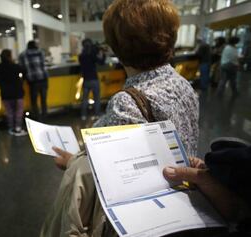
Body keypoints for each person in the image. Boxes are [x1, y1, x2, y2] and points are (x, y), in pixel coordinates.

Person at [40, 1, 199, 236]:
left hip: (146, 220)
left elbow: (113, 176)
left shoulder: (127, 102)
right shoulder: (184, 85)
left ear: (117, 45)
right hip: (184, 209)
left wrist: (71, 163)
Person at [0, 49, 27, 136]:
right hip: (17, 92)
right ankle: (18, 128)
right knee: (18, 111)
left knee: (9, 112)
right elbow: (24, 71)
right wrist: (21, 80)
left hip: (5, 94)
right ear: (10, 56)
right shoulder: (15, 66)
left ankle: (11, 128)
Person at [19, 40, 49, 120]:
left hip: (33, 81)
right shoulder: (41, 52)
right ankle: (44, 117)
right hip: (43, 79)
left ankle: (37, 118)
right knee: (43, 100)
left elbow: (21, 68)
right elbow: (44, 64)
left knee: (34, 101)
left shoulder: (23, 55)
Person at [79, 39, 105, 120]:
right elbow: (101, 62)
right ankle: (97, 114)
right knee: (96, 98)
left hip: (86, 80)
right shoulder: (92, 55)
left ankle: (83, 115)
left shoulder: (81, 56)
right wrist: (102, 53)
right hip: (94, 79)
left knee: (85, 99)